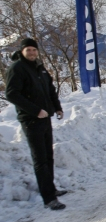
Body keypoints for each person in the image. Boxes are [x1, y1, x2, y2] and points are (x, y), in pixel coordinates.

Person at [5, 38, 67, 210]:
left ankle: (51, 189)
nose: (32, 52)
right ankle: (49, 199)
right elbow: (12, 94)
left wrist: (57, 108)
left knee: (48, 157)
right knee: (40, 159)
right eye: (28, 50)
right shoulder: (17, 68)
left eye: (34, 49)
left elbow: (50, 89)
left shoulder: (39, 67)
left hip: (45, 118)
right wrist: (35, 110)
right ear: (22, 51)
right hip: (31, 120)